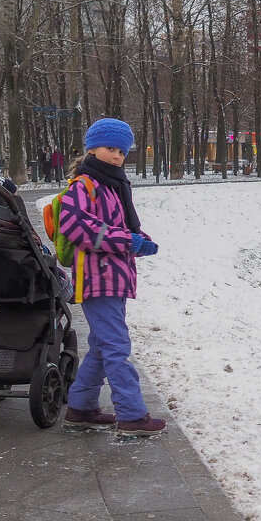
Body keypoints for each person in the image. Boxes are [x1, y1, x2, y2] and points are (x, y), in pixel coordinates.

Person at [59, 118, 166, 437]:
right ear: (92, 147)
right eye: (110, 148)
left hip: (115, 278)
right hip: (96, 279)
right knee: (116, 346)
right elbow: (75, 226)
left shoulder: (114, 185)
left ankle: (80, 409)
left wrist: (140, 239)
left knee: (102, 346)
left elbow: (120, 226)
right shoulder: (84, 185)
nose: (117, 156)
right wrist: (126, 241)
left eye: (122, 151)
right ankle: (132, 415)